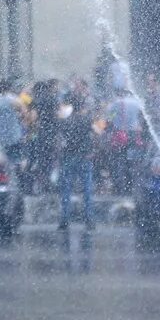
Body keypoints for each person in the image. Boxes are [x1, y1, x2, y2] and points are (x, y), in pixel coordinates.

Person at [54, 78, 98, 229]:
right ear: (82, 106)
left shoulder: (65, 121)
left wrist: (60, 155)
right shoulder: (87, 120)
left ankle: (64, 220)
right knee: (87, 190)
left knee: (66, 190)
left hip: (68, 157)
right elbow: (97, 133)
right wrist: (92, 149)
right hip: (85, 157)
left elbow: (59, 140)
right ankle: (89, 220)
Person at [0, 81, 27, 163]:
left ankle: (5, 173)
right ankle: (15, 172)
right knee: (16, 158)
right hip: (14, 133)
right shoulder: (14, 99)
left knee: (1, 158)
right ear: (10, 88)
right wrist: (20, 119)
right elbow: (24, 112)